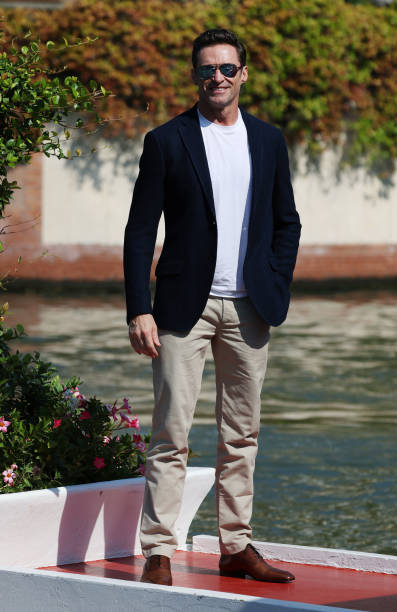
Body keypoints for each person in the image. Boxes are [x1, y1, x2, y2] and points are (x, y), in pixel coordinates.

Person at [124, 28, 301, 586]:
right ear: (195, 75)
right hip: (183, 308)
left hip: (250, 307)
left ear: (243, 74)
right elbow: (139, 230)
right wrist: (139, 308)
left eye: (226, 68)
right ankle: (159, 550)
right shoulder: (167, 140)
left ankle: (236, 546)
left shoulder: (268, 141)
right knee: (170, 434)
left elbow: (287, 222)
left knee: (242, 434)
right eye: (207, 69)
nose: (217, 77)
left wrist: (276, 280)